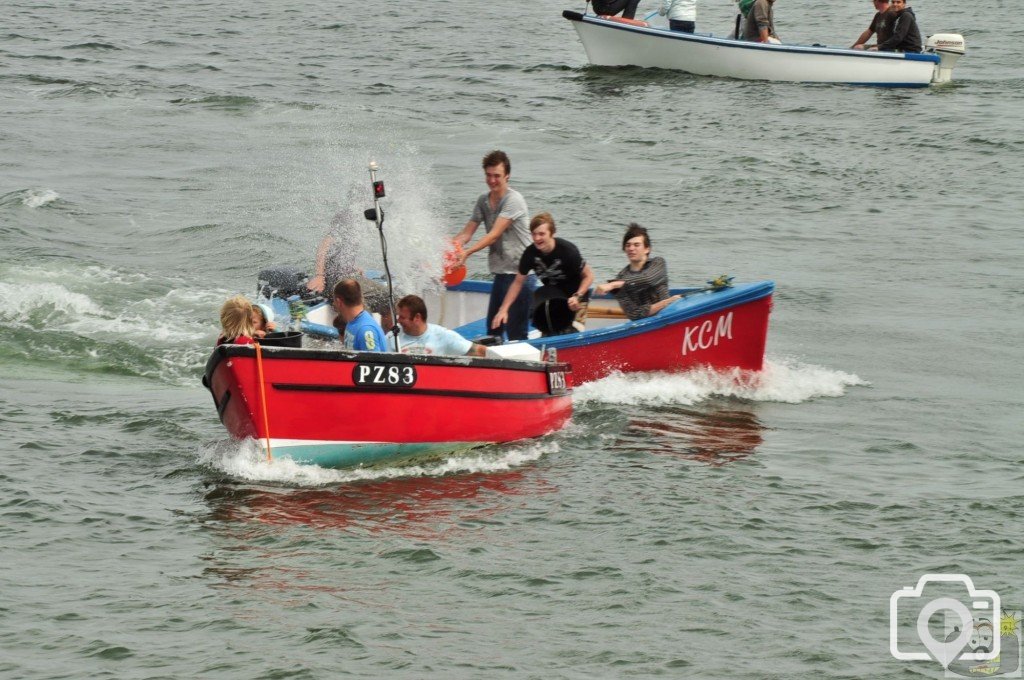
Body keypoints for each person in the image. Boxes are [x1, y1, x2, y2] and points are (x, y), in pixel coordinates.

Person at [453, 150, 533, 341]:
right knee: (493, 333)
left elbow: (493, 235)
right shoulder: (483, 200)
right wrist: (446, 249)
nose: (492, 180)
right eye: (488, 175)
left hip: (521, 275)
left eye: (497, 176)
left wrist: (468, 253)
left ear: (507, 175)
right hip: (501, 274)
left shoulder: (514, 200)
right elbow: (466, 234)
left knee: (516, 335)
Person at [492, 212, 595, 337]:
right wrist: (503, 309)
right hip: (554, 295)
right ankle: (546, 335)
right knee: (539, 295)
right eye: (534, 234)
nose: (537, 238)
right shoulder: (530, 254)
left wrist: (577, 296)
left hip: (577, 295)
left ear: (552, 234)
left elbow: (589, 276)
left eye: (541, 234)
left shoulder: (568, 251)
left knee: (573, 333)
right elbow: (517, 283)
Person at [306, 196, 393, 333]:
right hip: (336, 281)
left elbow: (343, 252)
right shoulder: (345, 217)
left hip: (351, 276)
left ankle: (385, 341)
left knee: (390, 299)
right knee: (362, 308)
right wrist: (319, 275)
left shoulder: (360, 222)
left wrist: (351, 266)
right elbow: (324, 246)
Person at [594, 224, 683, 321]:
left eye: (636, 245)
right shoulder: (620, 277)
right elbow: (634, 314)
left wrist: (615, 284)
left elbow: (648, 279)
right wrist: (664, 303)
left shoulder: (658, 263)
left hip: (669, 317)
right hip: (644, 326)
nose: (631, 248)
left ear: (647, 249)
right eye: (628, 245)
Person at [392, 295, 487, 357]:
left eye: (402, 317)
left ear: (417, 317)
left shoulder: (443, 336)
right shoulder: (392, 337)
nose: (398, 321)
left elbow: (479, 351)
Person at [333, 278, 387, 352]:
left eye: (334, 301)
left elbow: (372, 362)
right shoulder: (351, 322)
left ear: (339, 302)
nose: (334, 304)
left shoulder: (366, 331)